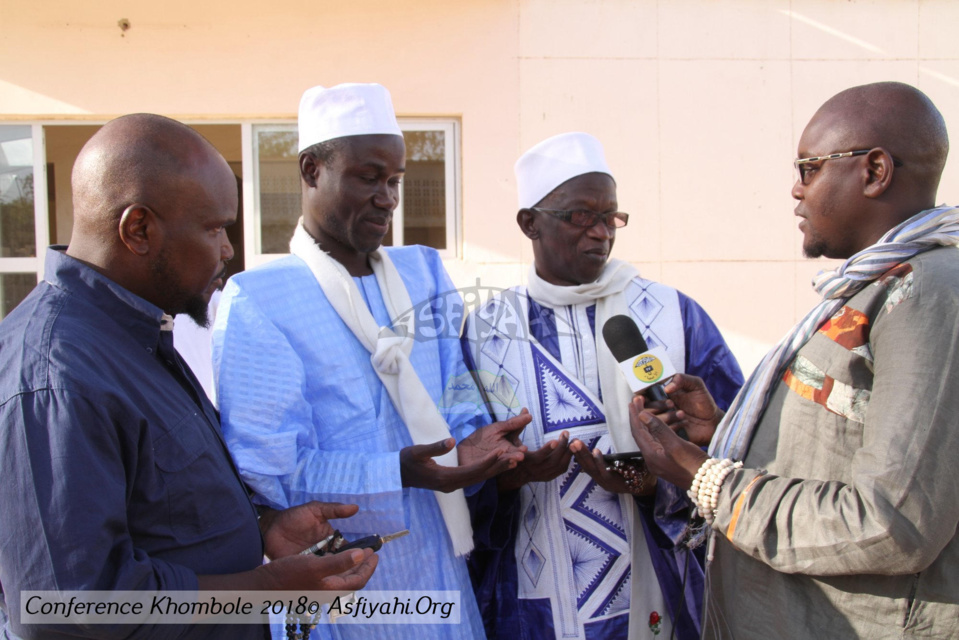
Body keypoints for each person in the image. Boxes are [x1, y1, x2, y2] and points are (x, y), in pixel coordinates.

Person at [0, 114, 379, 640]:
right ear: (139, 229)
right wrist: (266, 588)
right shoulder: (56, 375)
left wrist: (263, 529)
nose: (228, 250)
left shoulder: (134, 334)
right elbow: (64, 608)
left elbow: (161, 516)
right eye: (215, 229)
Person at [629, 81, 959, 639]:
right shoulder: (871, 287)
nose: (795, 190)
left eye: (809, 168)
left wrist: (706, 478)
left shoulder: (926, 294)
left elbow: (892, 522)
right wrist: (725, 436)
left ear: (875, 171)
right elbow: (846, 443)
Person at [212, 83, 530, 639]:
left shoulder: (422, 272)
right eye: (368, 177)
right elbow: (269, 471)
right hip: (348, 585)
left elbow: (456, 391)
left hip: (443, 570)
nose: (388, 197)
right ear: (312, 170)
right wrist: (396, 473)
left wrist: (479, 445)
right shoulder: (260, 299)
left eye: (395, 180)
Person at [462, 132, 743, 640]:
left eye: (610, 217)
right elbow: (463, 470)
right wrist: (512, 476)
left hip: (655, 581)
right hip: (535, 601)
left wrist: (654, 478)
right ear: (530, 223)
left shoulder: (673, 315)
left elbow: (740, 450)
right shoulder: (483, 334)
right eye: (579, 217)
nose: (601, 233)